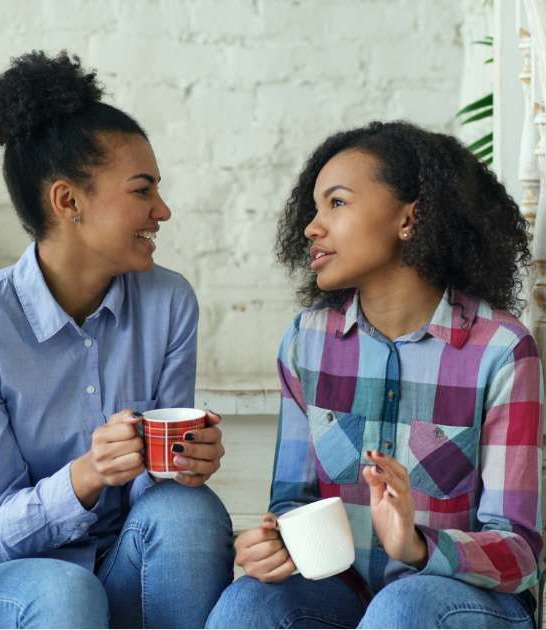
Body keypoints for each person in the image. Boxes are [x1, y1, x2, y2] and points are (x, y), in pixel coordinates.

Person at [0, 50, 233, 629]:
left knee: (188, 511)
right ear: (68, 201)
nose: (162, 210)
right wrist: (88, 473)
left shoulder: (169, 304)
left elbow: (157, 498)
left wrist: (186, 466)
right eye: (143, 191)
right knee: (67, 592)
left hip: (114, 565)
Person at [206, 121, 542, 629]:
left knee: (400, 608)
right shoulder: (308, 340)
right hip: (346, 596)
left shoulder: (501, 350)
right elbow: (291, 501)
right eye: (315, 208)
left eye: (337, 203)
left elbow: (519, 551)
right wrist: (276, 544)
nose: (312, 227)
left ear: (410, 218)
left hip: (466, 602)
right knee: (247, 604)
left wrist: (416, 545)